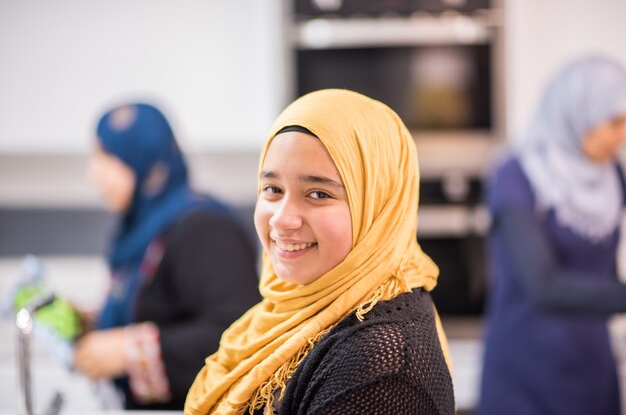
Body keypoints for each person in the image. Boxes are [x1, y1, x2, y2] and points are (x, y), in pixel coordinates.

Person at [184, 89, 456, 415]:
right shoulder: (294, 308)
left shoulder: (381, 370)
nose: (283, 219)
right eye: (273, 189)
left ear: (377, 206)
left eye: (318, 193)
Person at [73, 102, 261, 410]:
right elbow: (161, 309)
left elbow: (238, 335)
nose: (93, 173)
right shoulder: (144, 230)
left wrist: (127, 351)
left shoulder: (207, 230)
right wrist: (95, 322)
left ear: (143, 159)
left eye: (106, 156)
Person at [477, 55, 626, 415]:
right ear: (577, 115)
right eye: (613, 122)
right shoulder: (515, 176)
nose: (621, 135)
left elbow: (602, 275)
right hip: (525, 374)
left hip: (593, 368)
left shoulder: (612, 177)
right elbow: (545, 286)